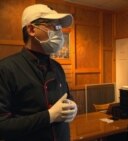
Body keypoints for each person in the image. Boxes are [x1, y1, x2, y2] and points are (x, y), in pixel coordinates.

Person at [0, 4, 77, 141]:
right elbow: (3, 125)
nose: (59, 33)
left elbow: (67, 98)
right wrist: (49, 116)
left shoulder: (57, 67)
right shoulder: (6, 69)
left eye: (59, 27)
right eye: (53, 26)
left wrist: (72, 106)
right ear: (31, 29)